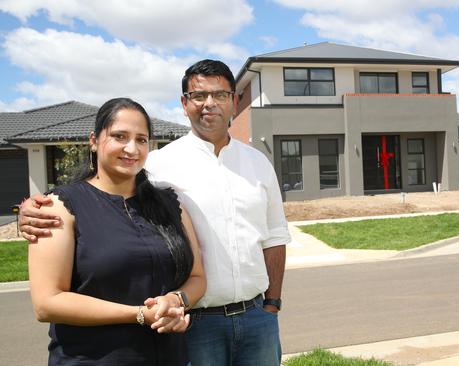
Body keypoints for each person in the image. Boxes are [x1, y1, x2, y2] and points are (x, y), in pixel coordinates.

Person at [21, 60, 291, 366]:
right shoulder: (158, 163)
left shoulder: (258, 163)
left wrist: (272, 304)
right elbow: (101, 187)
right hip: (194, 322)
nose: (209, 104)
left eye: (220, 95)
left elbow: (274, 236)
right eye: (198, 96)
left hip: (257, 318)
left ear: (235, 100)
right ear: (184, 103)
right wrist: (33, 208)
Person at [27, 97, 206, 365]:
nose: (131, 148)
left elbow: (197, 277)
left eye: (142, 139)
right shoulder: (59, 206)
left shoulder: (170, 203)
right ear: (94, 140)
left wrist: (175, 299)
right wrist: (138, 314)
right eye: (119, 136)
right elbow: (47, 302)